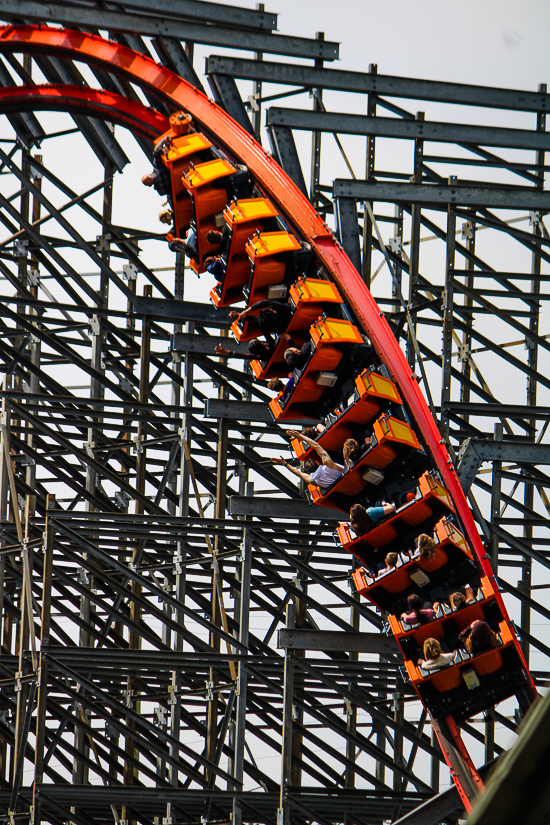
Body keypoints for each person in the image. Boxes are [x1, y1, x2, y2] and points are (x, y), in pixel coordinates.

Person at [271, 429, 344, 489]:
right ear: (317, 462)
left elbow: (298, 473)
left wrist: (285, 463)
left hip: (343, 488)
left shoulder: (312, 480)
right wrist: (300, 436)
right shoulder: (328, 463)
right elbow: (316, 445)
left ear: (308, 471)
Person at [141, 136, 172, 203]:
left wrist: (166, 201)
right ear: (150, 174)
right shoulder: (158, 168)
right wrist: (164, 139)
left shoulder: (161, 191)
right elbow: (156, 150)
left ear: (149, 185)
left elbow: (171, 194)